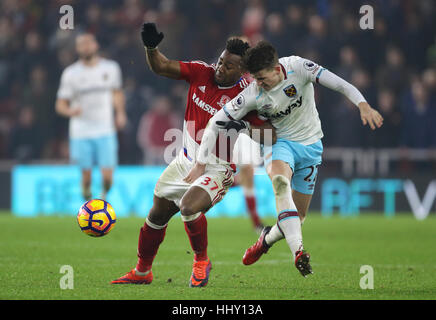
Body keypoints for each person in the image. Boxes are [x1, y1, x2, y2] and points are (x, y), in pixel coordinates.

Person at [185, 41, 383, 277]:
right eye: (254, 78)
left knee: (298, 217)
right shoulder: (252, 94)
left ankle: (265, 240)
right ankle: (298, 252)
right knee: (280, 185)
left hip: (311, 146)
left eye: (261, 78)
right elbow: (216, 122)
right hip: (279, 144)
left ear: (277, 69)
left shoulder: (300, 68)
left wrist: (363, 105)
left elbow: (340, 84)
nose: (257, 84)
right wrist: (200, 162)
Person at [111, 23, 275, 287]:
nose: (220, 68)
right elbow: (161, 66)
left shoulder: (246, 97)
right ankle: (142, 272)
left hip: (217, 168)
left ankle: (201, 262)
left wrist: (243, 125)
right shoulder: (202, 72)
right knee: (156, 216)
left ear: (242, 71)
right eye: (221, 61)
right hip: (184, 161)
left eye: (228, 66)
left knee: (188, 207)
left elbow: (270, 135)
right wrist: (151, 48)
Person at [55, 33, 127, 201]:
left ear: (96, 45)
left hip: (105, 129)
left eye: (89, 43)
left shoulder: (111, 68)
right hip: (81, 131)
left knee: (108, 177)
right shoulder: (70, 74)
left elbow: (117, 93)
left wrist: (120, 113)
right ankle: (88, 201)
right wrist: (70, 111)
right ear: (77, 49)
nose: (86, 46)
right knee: (86, 177)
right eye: (82, 44)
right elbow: (60, 105)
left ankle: (101, 200)